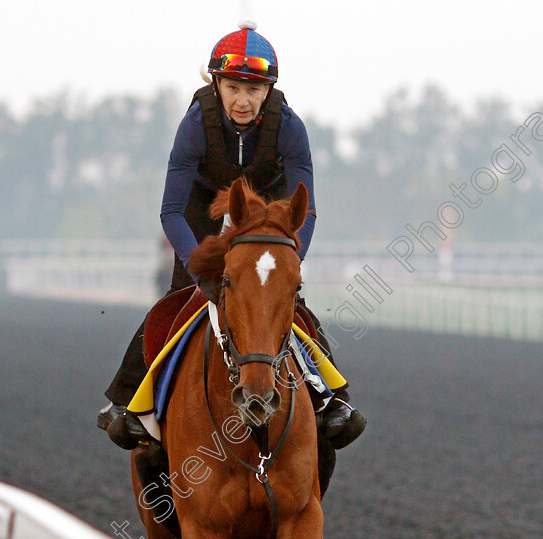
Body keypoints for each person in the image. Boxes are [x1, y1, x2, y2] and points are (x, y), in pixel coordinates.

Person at [98, 20, 365, 452]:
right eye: (234, 88)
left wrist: (289, 264)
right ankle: (127, 401)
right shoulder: (193, 126)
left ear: (269, 91)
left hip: (268, 202)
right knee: (181, 296)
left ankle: (331, 399)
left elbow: (307, 211)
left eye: (254, 90)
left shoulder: (291, 129)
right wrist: (201, 268)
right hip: (202, 202)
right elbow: (170, 212)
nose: (243, 101)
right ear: (216, 82)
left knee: (284, 299)